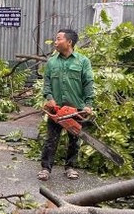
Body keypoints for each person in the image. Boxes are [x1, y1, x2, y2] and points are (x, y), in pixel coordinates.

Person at [38, 28, 94, 181]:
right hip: (56, 109)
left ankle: (70, 167)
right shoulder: (52, 62)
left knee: (74, 141)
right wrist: (49, 97)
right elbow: (47, 82)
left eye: (58, 39)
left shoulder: (83, 61)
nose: (55, 42)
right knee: (51, 140)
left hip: (75, 108)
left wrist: (88, 104)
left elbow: (88, 82)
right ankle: (45, 168)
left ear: (69, 42)